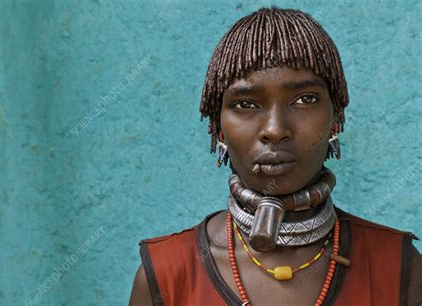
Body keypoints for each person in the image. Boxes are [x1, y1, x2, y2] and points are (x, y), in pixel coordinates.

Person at [129, 6, 421, 306]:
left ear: (335, 120)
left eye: (305, 99)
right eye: (245, 104)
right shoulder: (166, 275)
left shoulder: (399, 268)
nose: (275, 129)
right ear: (218, 131)